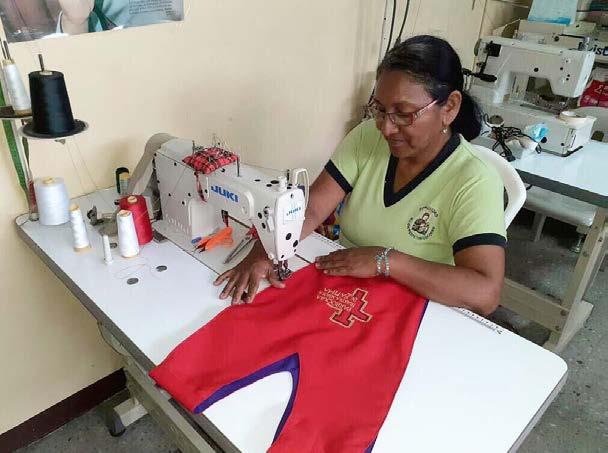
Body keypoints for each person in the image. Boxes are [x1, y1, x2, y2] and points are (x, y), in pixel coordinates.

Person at [215, 35, 507, 316]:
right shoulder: (368, 137)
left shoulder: (474, 181)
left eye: (403, 113)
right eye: (380, 109)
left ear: (450, 107)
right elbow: (313, 209)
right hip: (345, 288)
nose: (386, 128)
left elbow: (485, 293)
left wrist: (386, 260)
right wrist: (267, 250)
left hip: (416, 307)